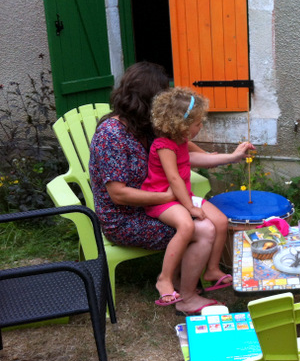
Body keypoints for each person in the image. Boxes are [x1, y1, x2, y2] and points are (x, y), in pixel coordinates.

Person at [89, 61, 254, 315]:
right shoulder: (111, 135)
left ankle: (182, 283)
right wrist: (167, 196)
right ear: (148, 101)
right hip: (126, 218)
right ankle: (185, 296)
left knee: (210, 223)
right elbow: (118, 195)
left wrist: (231, 156)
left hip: (160, 203)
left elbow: (188, 157)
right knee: (204, 229)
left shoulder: (151, 128)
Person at [142, 87, 232, 305]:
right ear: (182, 125)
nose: (200, 127)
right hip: (163, 200)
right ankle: (164, 278)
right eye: (198, 123)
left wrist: (233, 155)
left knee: (221, 221)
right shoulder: (163, 145)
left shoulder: (181, 142)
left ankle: (211, 269)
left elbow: (201, 158)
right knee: (187, 226)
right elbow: (173, 179)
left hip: (182, 196)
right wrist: (190, 208)